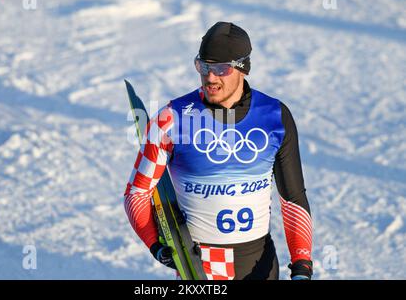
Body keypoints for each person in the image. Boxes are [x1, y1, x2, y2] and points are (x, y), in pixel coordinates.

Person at [124, 21, 313, 280]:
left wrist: (301, 265)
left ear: (243, 68)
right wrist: (156, 246)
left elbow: (293, 198)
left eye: (221, 68)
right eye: (203, 66)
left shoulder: (275, 117)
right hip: (201, 267)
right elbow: (137, 193)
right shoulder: (172, 119)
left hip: (261, 264)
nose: (210, 77)